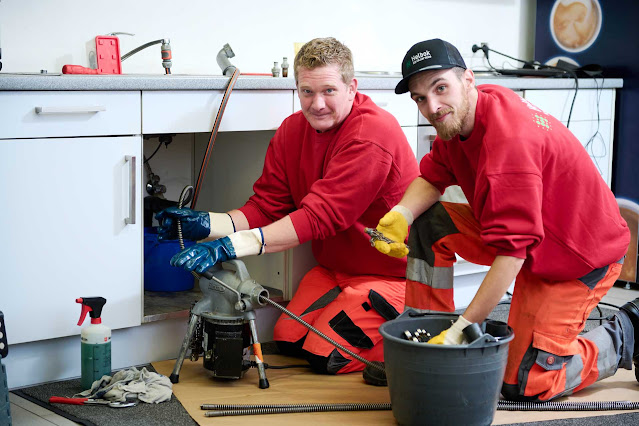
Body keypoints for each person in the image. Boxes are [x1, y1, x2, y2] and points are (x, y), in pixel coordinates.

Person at [372, 38, 637, 400]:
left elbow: (511, 254)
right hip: (530, 243)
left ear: (468, 79)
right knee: (429, 220)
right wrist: (402, 213)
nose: (431, 106)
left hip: (578, 259)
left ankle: (627, 332)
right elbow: (433, 177)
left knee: (525, 382)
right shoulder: (465, 114)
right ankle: (425, 340)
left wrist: (465, 328)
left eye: (440, 88)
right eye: (420, 98)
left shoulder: (509, 143)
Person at [157, 37, 420, 375]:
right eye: (307, 92)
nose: (317, 104)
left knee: (327, 355)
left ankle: (416, 335)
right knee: (287, 339)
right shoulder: (292, 132)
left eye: (328, 91)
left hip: (394, 276)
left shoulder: (370, 134)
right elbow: (266, 206)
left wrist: (228, 247)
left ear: (352, 88)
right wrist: (206, 224)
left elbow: (320, 218)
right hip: (337, 272)